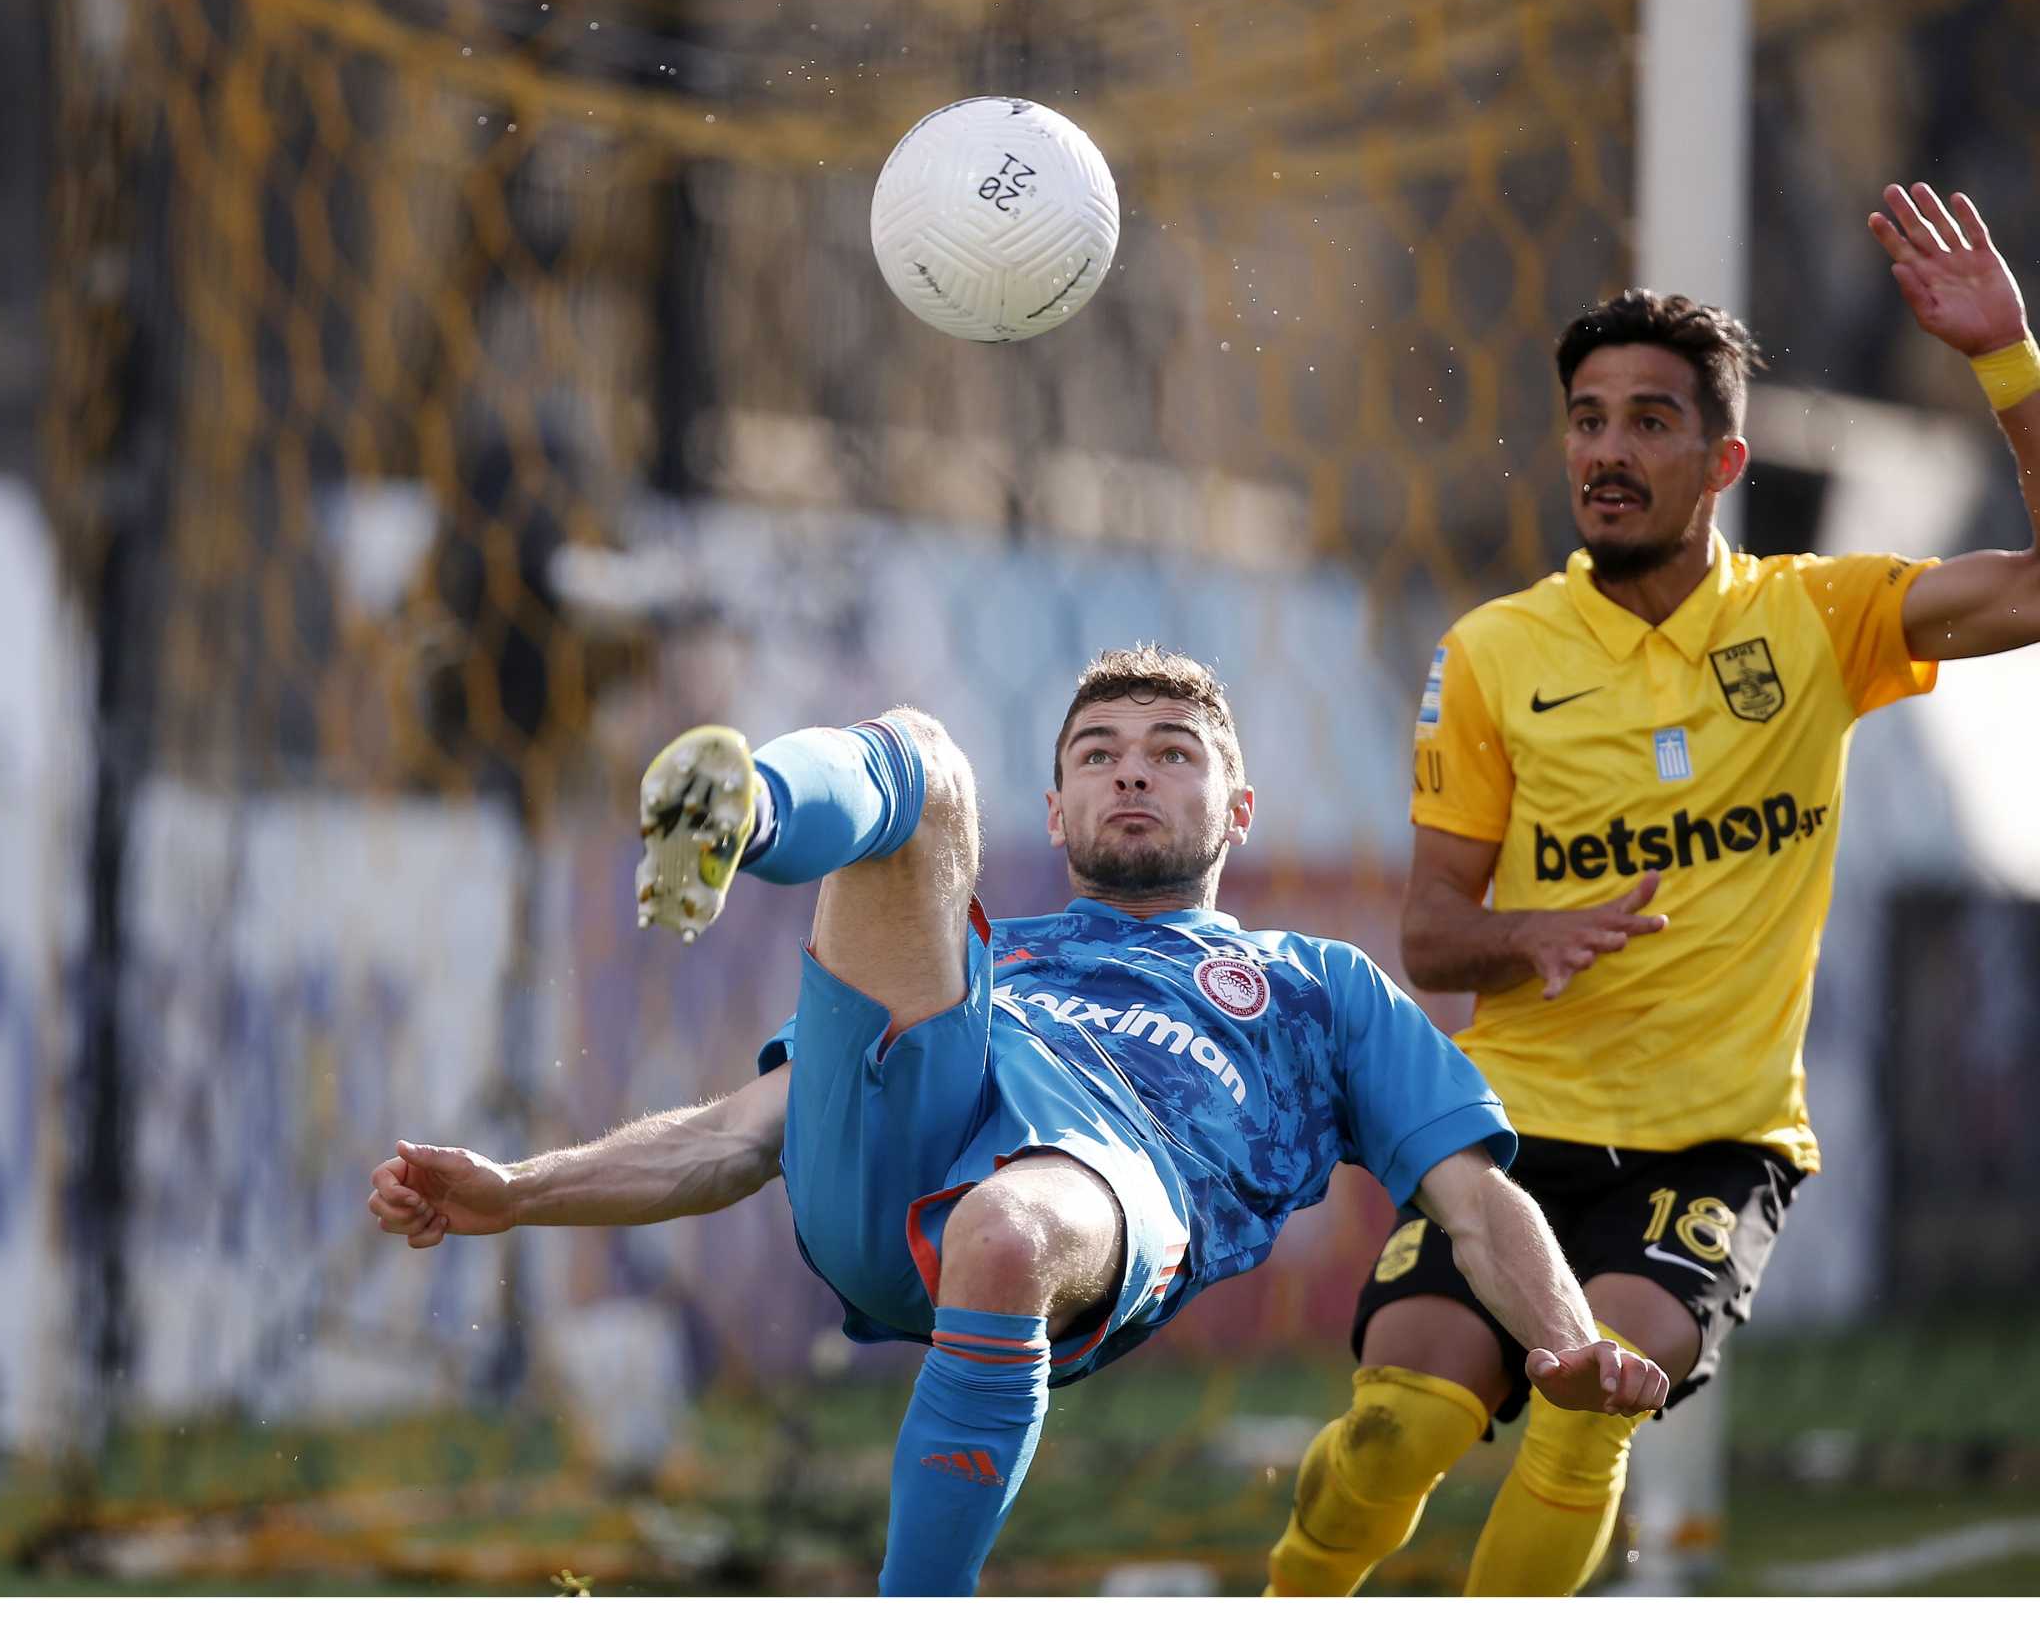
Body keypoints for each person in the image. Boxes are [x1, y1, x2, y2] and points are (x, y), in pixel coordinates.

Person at [370, 644, 1667, 1595]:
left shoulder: (1317, 984)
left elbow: (1474, 1195)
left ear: (1238, 809)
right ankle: (740, 815)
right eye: (1098, 758)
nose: (1133, 775)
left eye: (1173, 753)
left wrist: (1565, 1342)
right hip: (895, 1162)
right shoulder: (999, 953)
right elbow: (738, 1136)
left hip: (1106, 1190)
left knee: (1004, 1227)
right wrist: (517, 1190)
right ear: (1056, 814)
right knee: (926, 761)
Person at [1271, 182, 2040, 1596]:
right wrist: (1529, 933)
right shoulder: (1496, 653)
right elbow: (1432, 935)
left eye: (1650, 421)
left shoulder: (1821, 619)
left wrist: (2011, 368)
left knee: (1591, 1391)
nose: (1608, 452)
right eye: (1587, 419)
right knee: (1397, 1429)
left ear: (1723, 457)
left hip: (1710, 1149)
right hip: (1507, 1135)